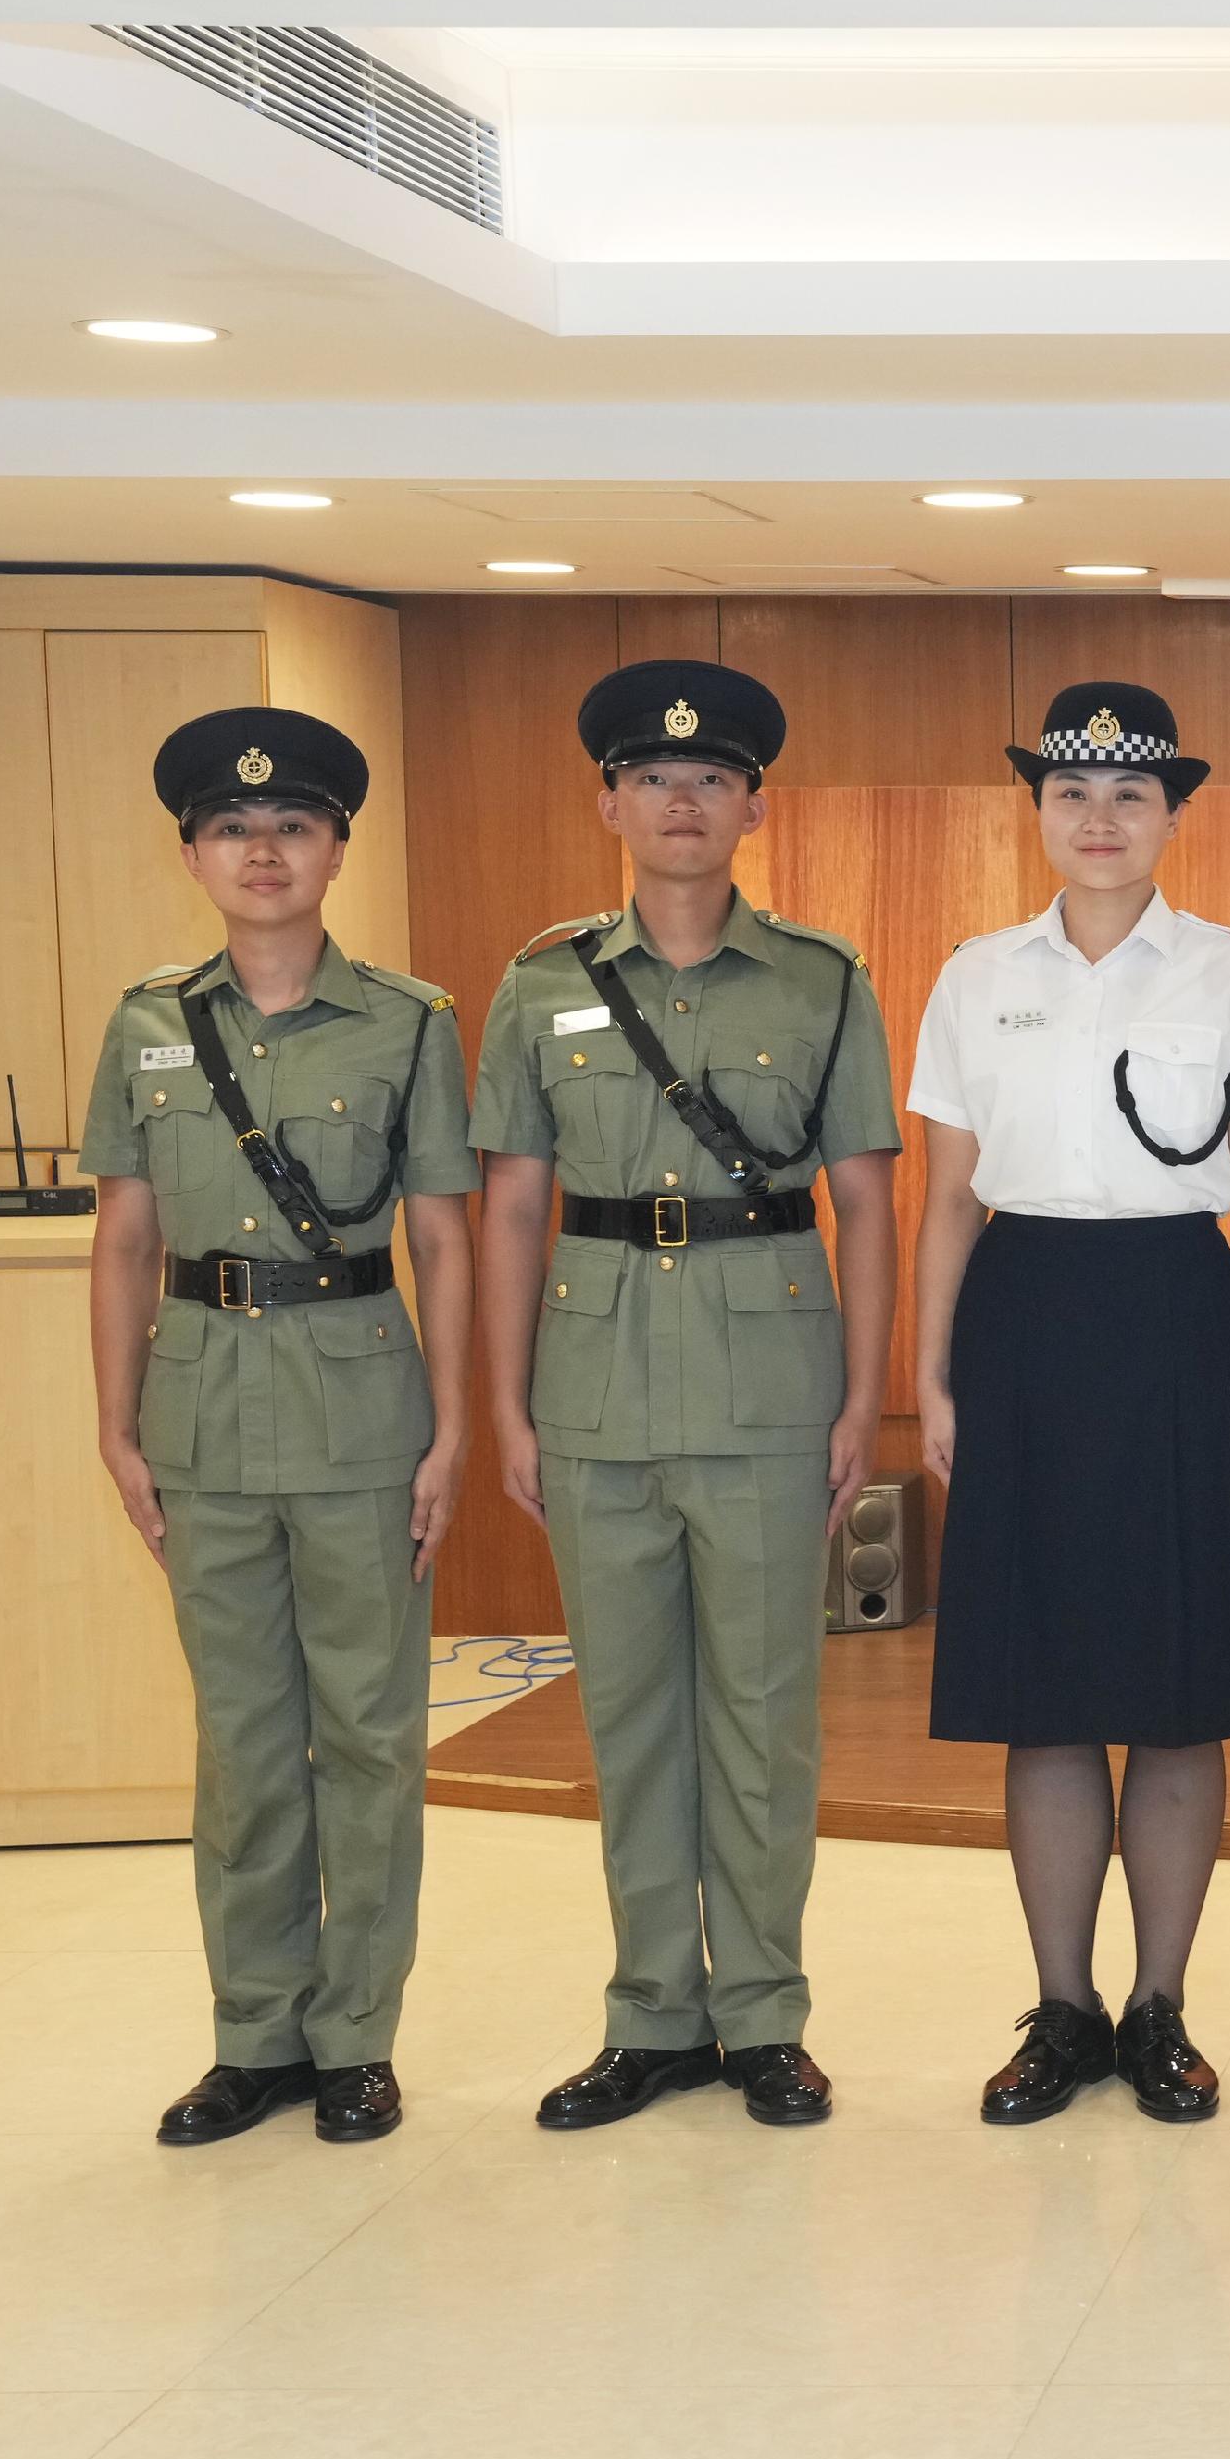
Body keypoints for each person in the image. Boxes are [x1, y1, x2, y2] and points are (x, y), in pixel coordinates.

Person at [469, 660, 902, 2131]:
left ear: (752, 808)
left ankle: (766, 2012)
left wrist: (860, 1401)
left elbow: (866, 1204)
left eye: (711, 779)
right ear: (608, 801)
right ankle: (653, 2011)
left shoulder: (823, 980)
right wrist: (514, 1408)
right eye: (652, 779)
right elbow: (512, 1210)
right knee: (632, 1713)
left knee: (767, 1713)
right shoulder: (540, 986)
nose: (681, 801)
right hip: (591, 1389)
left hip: (771, 1383)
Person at [908, 682, 1230, 2125]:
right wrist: (931, 1375)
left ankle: (1160, 2012)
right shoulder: (973, 972)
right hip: (1021, 1321)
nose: (1099, 819)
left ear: (1172, 817)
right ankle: (1062, 2011)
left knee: (1181, 1693)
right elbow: (948, 1198)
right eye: (1073, 793)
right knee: (1046, 1694)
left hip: (1181, 1327)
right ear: (1039, 812)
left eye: (1130, 796)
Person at [84, 708, 476, 2148]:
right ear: (192, 849)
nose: (264, 851)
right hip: (201, 1411)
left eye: (293, 827)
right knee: (244, 1741)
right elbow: (125, 1240)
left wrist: (448, 1436)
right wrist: (117, 1426)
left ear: (336, 849)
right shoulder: (146, 1022)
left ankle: (356, 2034)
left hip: (364, 1406)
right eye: (234, 829)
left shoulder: (410, 1021)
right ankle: (254, 2035)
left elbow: (445, 1237)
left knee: (369, 1733)